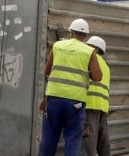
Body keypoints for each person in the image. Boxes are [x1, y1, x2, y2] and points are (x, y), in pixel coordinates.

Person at [38, 18, 102, 156]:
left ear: (71, 32)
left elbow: (47, 71)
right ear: (85, 36)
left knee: (49, 138)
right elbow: (97, 77)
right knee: (73, 139)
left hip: (54, 98)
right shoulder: (89, 51)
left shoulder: (57, 46)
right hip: (75, 102)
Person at [82, 36, 112, 156]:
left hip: (90, 105)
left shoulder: (90, 60)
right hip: (102, 107)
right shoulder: (105, 64)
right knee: (103, 140)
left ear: (94, 48)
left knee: (88, 140)